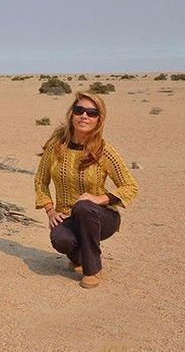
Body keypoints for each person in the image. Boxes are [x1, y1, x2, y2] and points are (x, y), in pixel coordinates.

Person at [34, 91, 138, 288]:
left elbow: (130, 186)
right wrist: (50, 210)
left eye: (92, 113)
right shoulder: (56, 147)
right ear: (71, 114)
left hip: (100, 217)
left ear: (99, 120)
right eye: (79, 110)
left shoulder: (103, 150)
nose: (84, 116)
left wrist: (100, 199)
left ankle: (93, 269)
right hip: (67, 216)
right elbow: (40, 181)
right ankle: (79, 256)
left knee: (83, 206)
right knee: (60, 239)